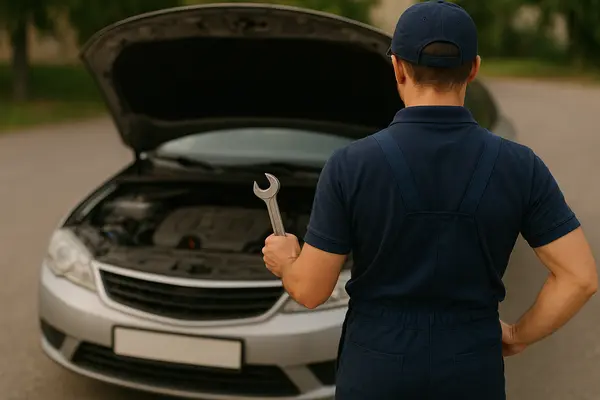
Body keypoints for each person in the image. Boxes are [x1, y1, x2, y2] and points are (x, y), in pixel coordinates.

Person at [261, 1, 598, 399]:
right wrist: (519, 333)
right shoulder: (519, 166)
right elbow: (580, 278)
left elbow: (311, 290)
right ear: (473, 68)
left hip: (375, 369)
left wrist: (285, 261)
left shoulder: (351, 165)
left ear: (397, 67)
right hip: (472, 367)